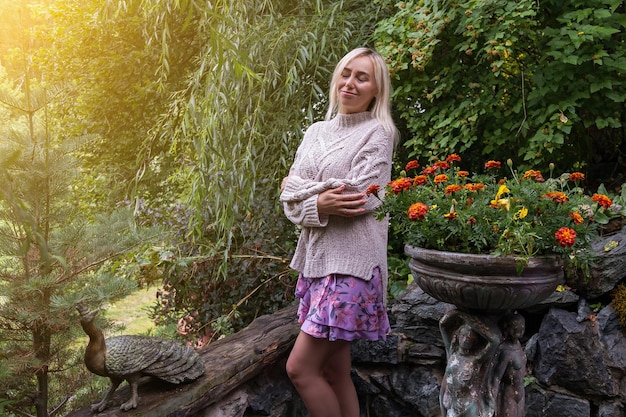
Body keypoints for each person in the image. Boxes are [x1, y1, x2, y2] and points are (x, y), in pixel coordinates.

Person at [279, 47, 398, 417]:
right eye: (346, 73)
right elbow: (287, 200)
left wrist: (304, 189)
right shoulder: (315, 132)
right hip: (317, 265)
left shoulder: (378, 132)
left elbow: (362, 197)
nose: (350, 82)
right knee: (333, 370)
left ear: (377, 89)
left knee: (299, 369)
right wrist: (319, 201)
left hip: (353, 268)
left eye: (362, 77)